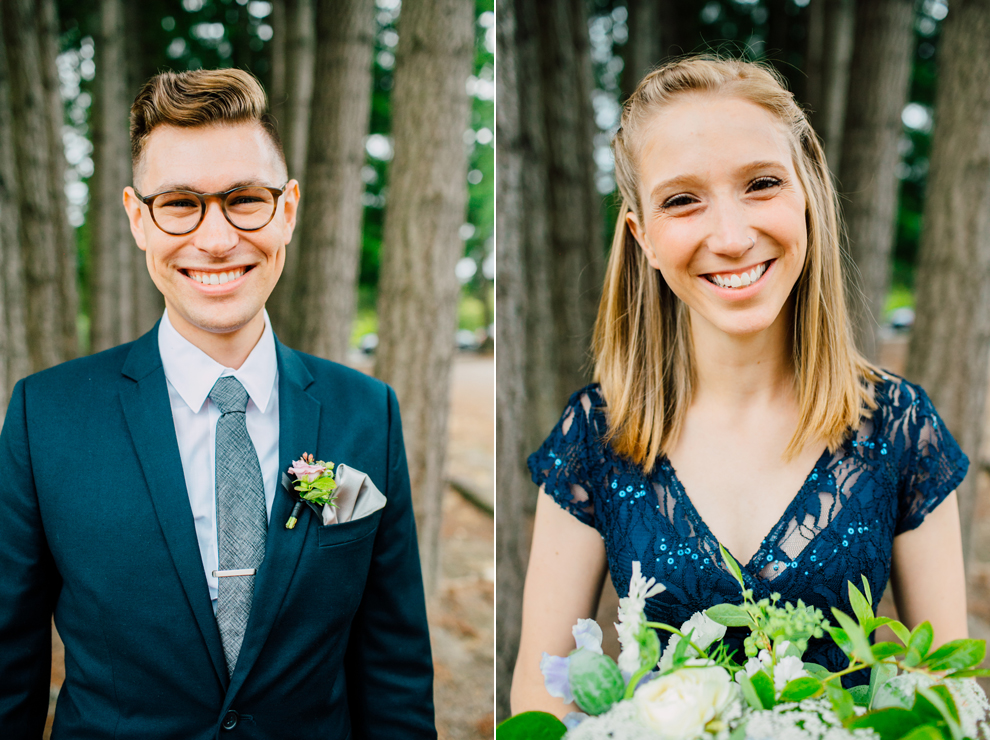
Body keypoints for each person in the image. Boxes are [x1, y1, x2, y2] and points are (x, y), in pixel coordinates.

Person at [510, 56, 969, 717]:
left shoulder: (897, 426)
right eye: (681, 200)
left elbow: (946, 697)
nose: (730, 236)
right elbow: (541, 694)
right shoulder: (594, 436)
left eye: (760, 184)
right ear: (643, 238)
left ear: (806, 192)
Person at [0, 69, 436, 738]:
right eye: (180, 203)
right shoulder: (45, 416)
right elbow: (10, 666)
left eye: (244, 200)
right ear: (137, 217)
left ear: (287, 210)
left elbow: (395, 671)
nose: (216, 238)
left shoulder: (367, 411)